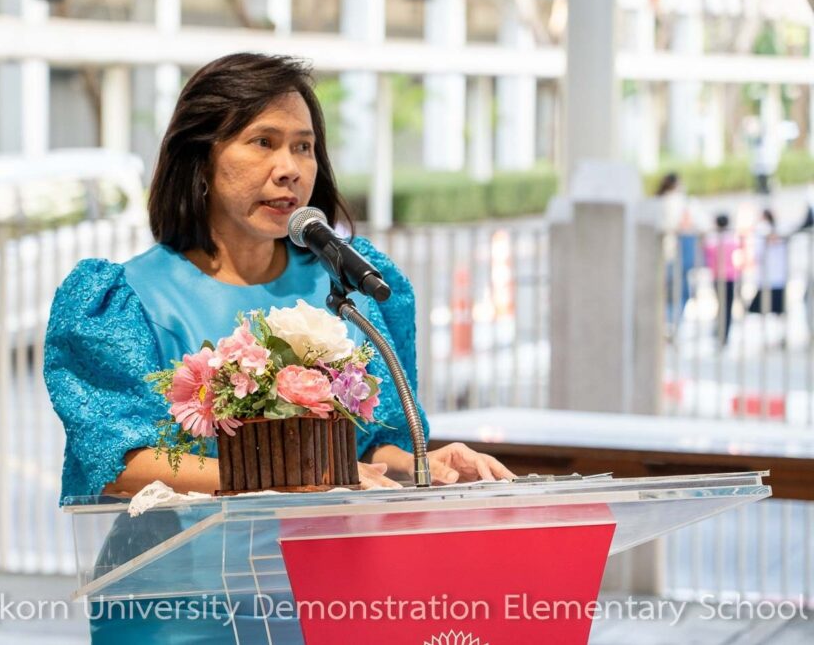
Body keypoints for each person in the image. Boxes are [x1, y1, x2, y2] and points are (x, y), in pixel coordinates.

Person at [43, 53, 515, 643]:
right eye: (262, 142)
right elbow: (120, 463)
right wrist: (292, 482)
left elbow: (372, 446)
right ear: (202, 158)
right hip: (174, 604)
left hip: (326, 594)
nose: (289, 169)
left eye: (303, 147)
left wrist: (423, 464)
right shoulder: (124, 299)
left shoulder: (346, 289)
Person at [656, 172, 698, 336]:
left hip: (663, 253)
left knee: (667, 291)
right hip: (677, 252)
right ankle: (672, 324)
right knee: (680, 292)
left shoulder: (659, 201)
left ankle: (667, 324)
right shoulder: (680, 201)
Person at [704, 213, 742, 346]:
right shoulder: (732, 240)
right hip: (730, 277)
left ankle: (720, 331)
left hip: (717, 277)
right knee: (728, 306)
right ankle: (724, 334)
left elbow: (708, 259)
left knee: (721, 305)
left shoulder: (712, 241)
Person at [747, 209, 788, 322]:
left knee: (773, 309)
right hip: (768, 277)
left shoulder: (770, 229)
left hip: (774, 276)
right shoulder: (765, 230)